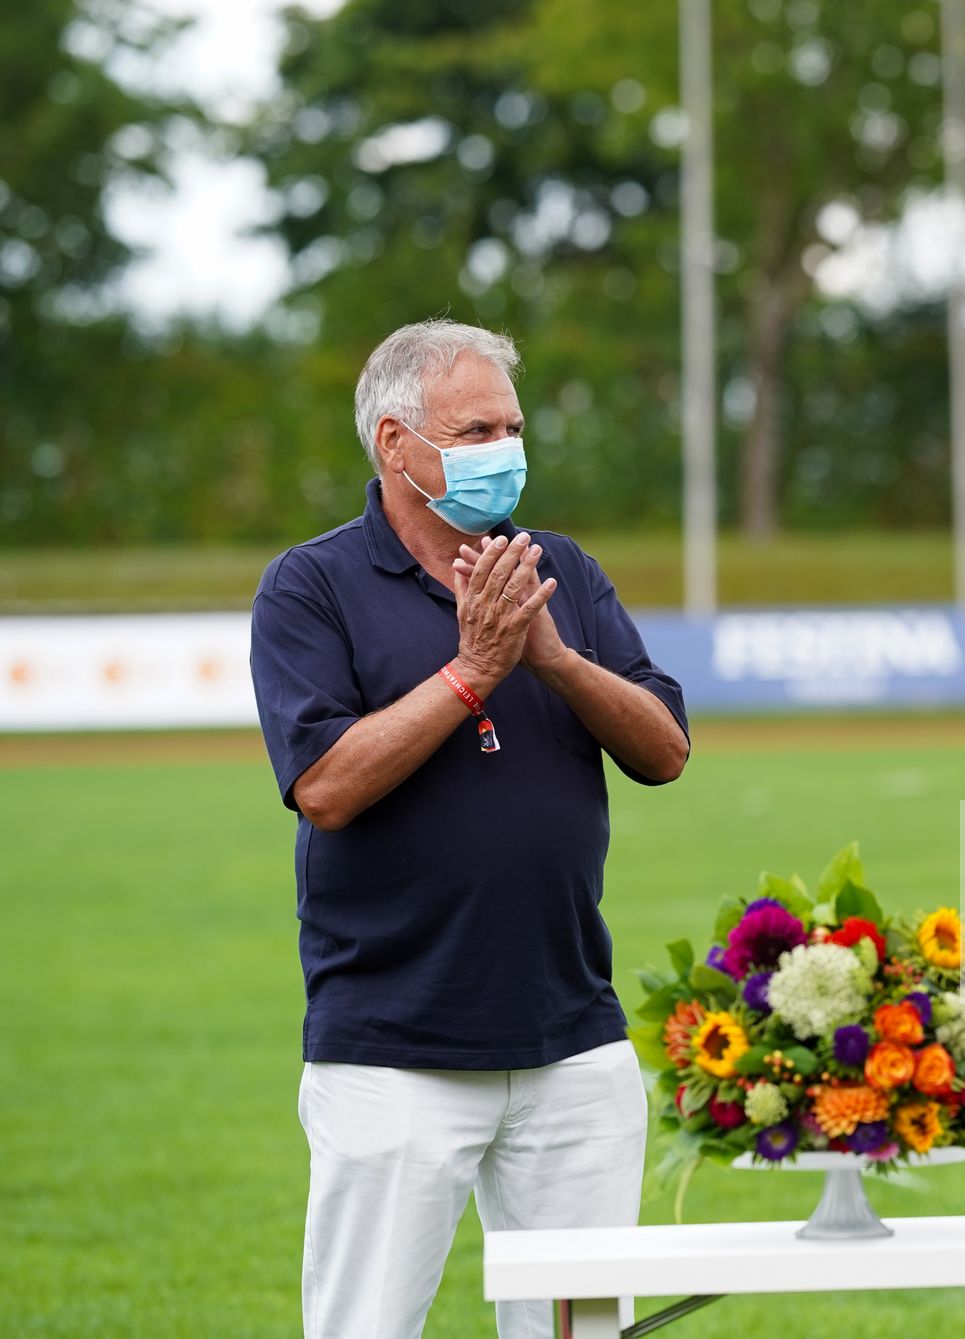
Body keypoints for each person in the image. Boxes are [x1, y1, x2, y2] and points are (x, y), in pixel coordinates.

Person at [249, 318, 690, 1339]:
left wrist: (555, 658)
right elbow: (324, 784)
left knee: (581, 1332)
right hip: (393, 1050)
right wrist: (470, 672)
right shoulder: (310, 586)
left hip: (572, 1042)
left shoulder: (561, 571)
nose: (506, 449)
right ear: (394, 443)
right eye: (477, 428)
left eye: (513, 425)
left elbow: (664, 750)